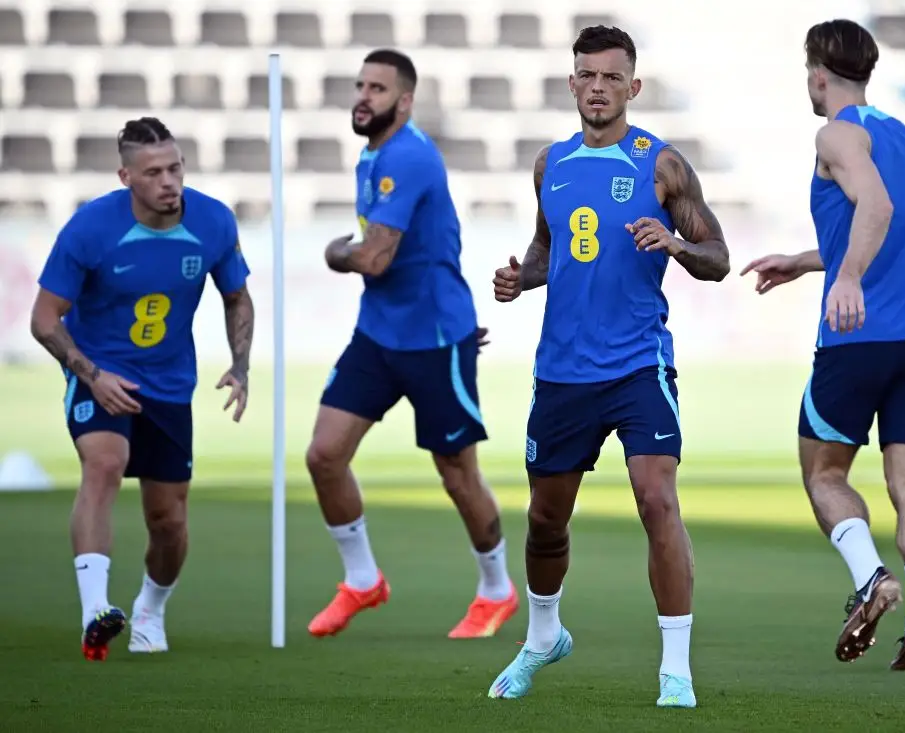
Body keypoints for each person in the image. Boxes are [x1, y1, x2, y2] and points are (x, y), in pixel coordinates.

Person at [487, 26, 730, 707]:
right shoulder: (552, 164)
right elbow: (549, 249)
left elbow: (718, 258)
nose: (598, 87)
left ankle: (675, 671)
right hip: (563, 371)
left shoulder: (663, 166)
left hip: (637, 365)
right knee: (545, 520)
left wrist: (676, 243)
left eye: (612, 77)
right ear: (572, 83)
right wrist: (522, 278)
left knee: (656, 498)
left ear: (633, 86)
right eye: (587, 76)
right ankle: (543, 636)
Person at [739, 19, 905, 672]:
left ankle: (870, 580)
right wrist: (808, 262)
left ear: (817, 75)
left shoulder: (835, 133)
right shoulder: (903, 136)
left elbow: (875, 209)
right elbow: (883, 224)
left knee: (825, 473)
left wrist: (847, 277)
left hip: (858, 339)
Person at [305, 49, 518, 640]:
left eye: (377, 88)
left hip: (435, 339)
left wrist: (335, 252)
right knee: (324, 455)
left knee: (457, 474)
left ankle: (496, 590)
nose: (363, 96)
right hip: (378, 333)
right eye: (360, 85)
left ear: (404, 101)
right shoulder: (372, 156)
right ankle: (362, 580)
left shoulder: (408, 156)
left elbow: (374, 257)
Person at [29, 117, 254, 661]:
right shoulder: (90, 229)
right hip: (101, 372)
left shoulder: (213, 222)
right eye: (153, 172)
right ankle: (95, 611)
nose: (168, 181)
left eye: (175, 168)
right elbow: (43, 318)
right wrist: (92, 375)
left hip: (170, 383)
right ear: (125, 176)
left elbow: (236, 297)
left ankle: (150, 610)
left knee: (168, 520)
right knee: (104, 464)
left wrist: (240, 365)